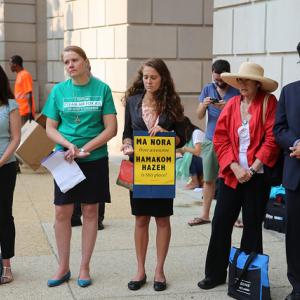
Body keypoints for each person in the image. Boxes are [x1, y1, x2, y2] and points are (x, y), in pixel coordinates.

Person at [198, 62, 280, 291]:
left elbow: (272, 140)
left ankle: (246, 276)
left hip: (257, 175)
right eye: (239, 81)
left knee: (252, 227)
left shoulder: (268, 103)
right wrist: (233, 166)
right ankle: (214, 274)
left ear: (257, 83)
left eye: (246, 81)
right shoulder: (233, 104)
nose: (241, 84)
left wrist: (252, 169)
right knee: (221, 222)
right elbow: (220, 138)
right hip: (232, 175)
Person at [42, 45, 117, 288]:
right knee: (62, 212)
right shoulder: (59, 91)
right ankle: (63, 267)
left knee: (90, 212)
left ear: (85, 61)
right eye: (66, 62)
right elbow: (50, 127)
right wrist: (69, 146)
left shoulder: (102, 89)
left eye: (74, 60)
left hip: (93, 160)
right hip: (65, 158)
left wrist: (87, 149)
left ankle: (85, 267)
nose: (70, 65)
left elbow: (111, 128)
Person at [122, 58, 185, 292]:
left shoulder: (171, 103)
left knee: (162, 219)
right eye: (146, 77)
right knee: (140, 219)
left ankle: (159, 270)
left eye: (153, 77)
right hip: (138, 166)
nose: (148, 81)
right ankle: (140, 269)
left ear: (163, 79)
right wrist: (127, 145)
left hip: (161, 168)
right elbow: (126, 133)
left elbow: (182, 138)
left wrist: (167, 133)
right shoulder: (132, 101)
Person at [188, 59, 240, 226]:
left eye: (221, 80)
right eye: (215, 79)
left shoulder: (237, 91)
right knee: (209, 179)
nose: (218, 83)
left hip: (232, 141)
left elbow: (242, 117)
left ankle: (235, 216)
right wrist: (204, 105)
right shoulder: (208, 89)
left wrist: (227, 108)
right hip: (211, 140)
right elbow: (199, 115)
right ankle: (205, 214)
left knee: (232, 179)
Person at [273, 42, 300, 300]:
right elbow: (278, 129)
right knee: (294, 237)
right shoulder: (289, 92)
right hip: (296, 179)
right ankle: (297, 287)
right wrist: (296, 143)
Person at [0, 65, 21, 284]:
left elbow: (15, 138)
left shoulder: (10, 106)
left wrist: (1, 161)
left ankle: (6, 266)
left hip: (5, 168)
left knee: (3, 215)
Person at [176, 116, 204, 190]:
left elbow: (197, 152)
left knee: (189, 157)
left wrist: (184, 149)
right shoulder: (189, 136)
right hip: (199, 161)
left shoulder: (196, 132)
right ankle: (192, 180)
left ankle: (195, 182)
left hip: (205, 161)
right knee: (179, 158)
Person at [9, 55, 35, 124]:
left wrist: (30, 112)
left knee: (25, 134)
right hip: (21, 111)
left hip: (25, 112)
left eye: (10, 64)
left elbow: (28, 93)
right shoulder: (19, 75)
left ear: (15, 64)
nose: (9, 66)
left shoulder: (25, 75)